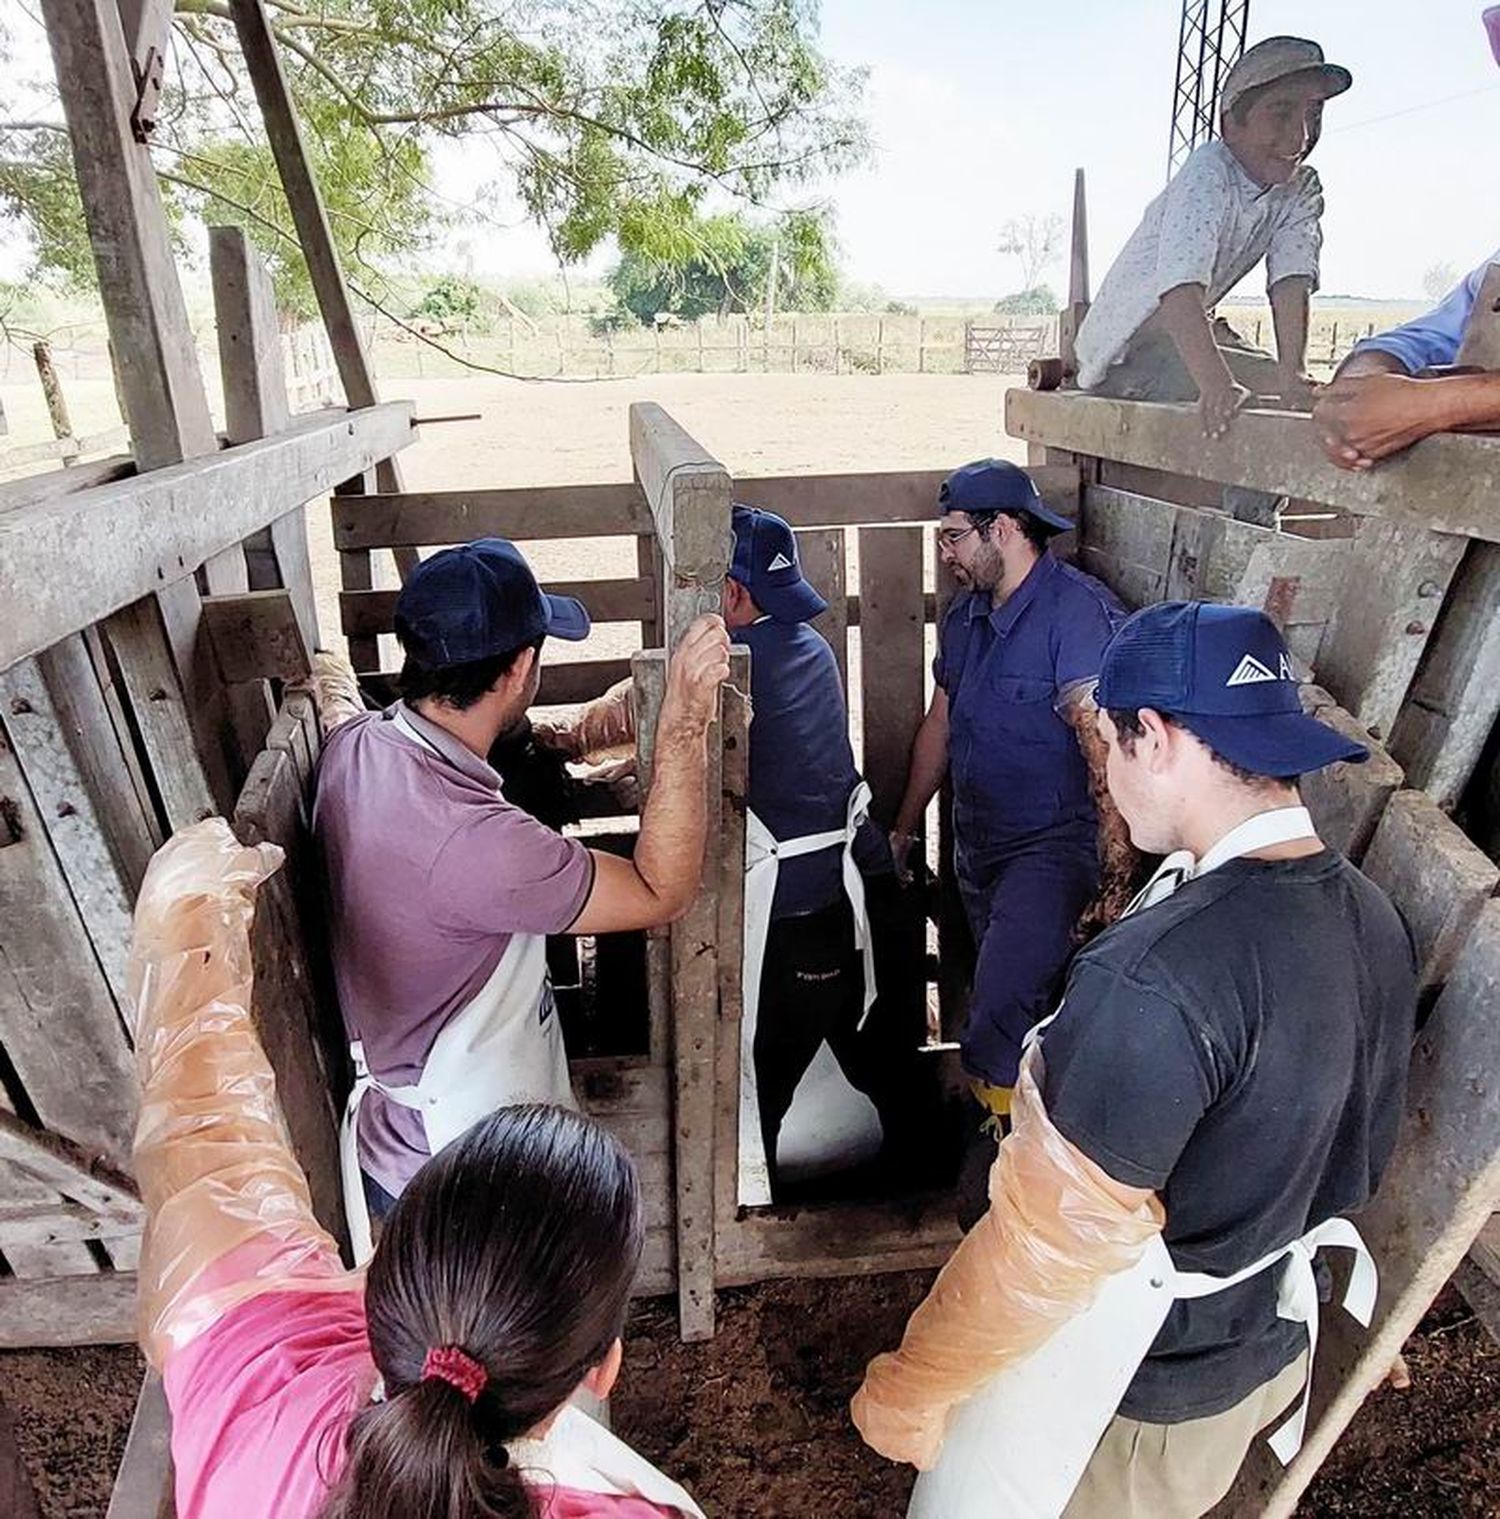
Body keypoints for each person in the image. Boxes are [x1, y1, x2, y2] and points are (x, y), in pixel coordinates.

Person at [853, 602, 1418, 1519]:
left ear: (1151, 735)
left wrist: (914, 1382)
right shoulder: (1371, 916)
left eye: (1108, 748)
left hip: (1123, 1396)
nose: (1106, 780)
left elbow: (1044, 1249)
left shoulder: (1159, 978)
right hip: (1258, 1350)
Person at [129, 820, 704, 1519]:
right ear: (603, 1369)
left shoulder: (258, 1352)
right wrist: (187, 920)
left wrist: (190, 919)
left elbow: (208, 1134)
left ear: (386, 1271)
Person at [312, 537, 730, 1258]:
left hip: (398, 1154)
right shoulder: (481, 843)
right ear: (518, 669)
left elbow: (335, 702)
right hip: (469, 1192)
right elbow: (662, 891)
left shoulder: (359, 748)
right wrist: (687, 718)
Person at [888, 460, 1130, 1228]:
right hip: (979, 848)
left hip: (1053, 850)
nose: (947, 555)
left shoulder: (1077, 616)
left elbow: (1103, 751)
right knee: (1014, 999)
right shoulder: (964, 619)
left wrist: (1117, 875)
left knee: (999, 1002)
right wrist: (904, 822)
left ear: (1004, 530)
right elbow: (941, 723)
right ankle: (1027, 1134)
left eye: (956, 538)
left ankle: (997, 1164)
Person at [723, 504, 931, 1201]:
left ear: (727, 594)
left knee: (764, 1070)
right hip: (841, 893)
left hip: (786, 911)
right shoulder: (808, 647)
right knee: (868, 1047)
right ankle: (914, 1172)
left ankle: (759, 1212)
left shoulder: (739, 668)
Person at [1075, 35, 1351, 522]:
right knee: (1253, 415)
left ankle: (1255, 520)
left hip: (1181, 342)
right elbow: (1181, 290)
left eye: (1314, 114)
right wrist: (1217, 385)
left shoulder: (1300, 187)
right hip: (1128, 355)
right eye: (1281, 114)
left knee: (1290, 397)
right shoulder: (1209, 170)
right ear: (1231, 124)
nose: (1299, 137)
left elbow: (1292, 278)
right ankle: (1247, 531)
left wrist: (1292, 371)